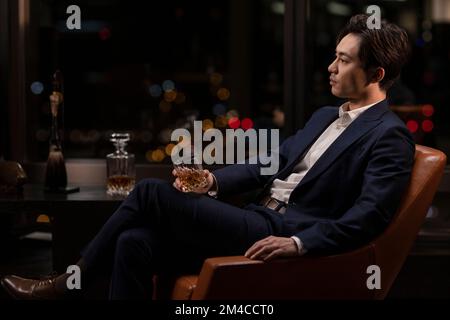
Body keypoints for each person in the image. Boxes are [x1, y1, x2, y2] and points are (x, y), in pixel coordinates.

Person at [1, 14, 414, 300]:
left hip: (279, 232)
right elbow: (268, 163)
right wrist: (213, 181)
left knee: (148, 192)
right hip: (255, 216)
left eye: (343, 60)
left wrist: (298, 242)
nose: (331, 67)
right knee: (133, 242)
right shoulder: (326, 115)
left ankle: (64, 287)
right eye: (335, 56)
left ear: (376, 74)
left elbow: (368, 217)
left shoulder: (389, 137)